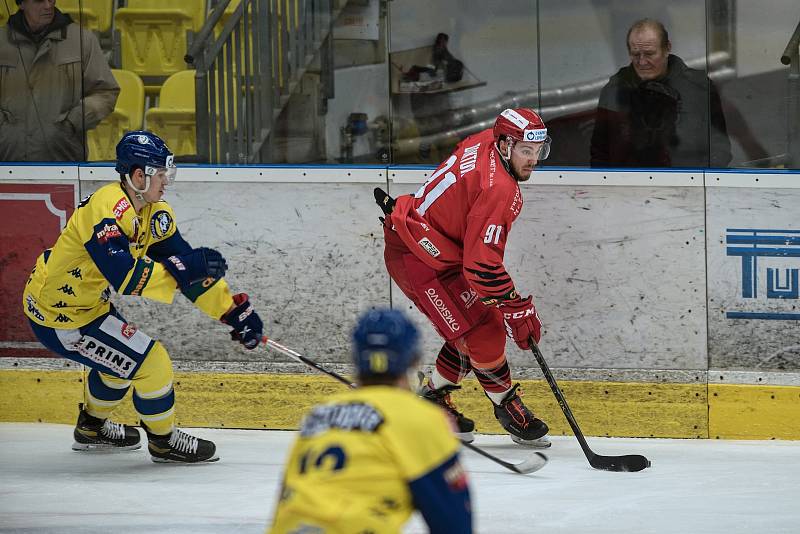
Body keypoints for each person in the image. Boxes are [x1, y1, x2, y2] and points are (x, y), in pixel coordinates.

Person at [22, 130, 264, 463]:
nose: (166, 182)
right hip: (58, 318)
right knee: (153, 364)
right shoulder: (105, 208)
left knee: (119, 364)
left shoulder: (154, 213)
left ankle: (91, 428)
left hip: (88, 309)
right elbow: (124, 276)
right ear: (138, 175)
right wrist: (187, 266)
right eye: (161, 175)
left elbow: (188, 273)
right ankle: (164, 442)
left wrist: (233, 312)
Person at [375, 107, 551, 447]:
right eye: (525, 151)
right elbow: (481, 266)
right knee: (484, 332)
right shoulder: (499, 190)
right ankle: (505, 405)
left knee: (473, 327)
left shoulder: (488, 140)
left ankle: (432, 397)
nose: (533, 160)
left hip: (434, 248)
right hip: (420, 260)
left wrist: (509, 304)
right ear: (504, 145)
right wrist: (517, 308)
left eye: (537, 150)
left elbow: (475, 256)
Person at [269, 308, 472, 534]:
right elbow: (453, 524)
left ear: (356, 358)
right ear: (413, 360)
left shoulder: (319, 415)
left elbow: (285, 500)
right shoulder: (423, 418)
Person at [590, 18, 732, 168]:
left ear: (667, 49)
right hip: (630, 184)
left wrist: (696, 180)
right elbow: (600, 153)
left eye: (649, 54)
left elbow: (719, 147)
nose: (642, 62)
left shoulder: (698, 88)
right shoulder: (614, 91)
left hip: (690, 182)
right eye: (635, 54)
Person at [0, 0, 119, 161]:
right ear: (21, 3)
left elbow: (105, 92)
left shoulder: (82, 40)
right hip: (7, 158)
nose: (48, 5)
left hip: (64, 157)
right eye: (39, 0)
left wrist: (72, 122)